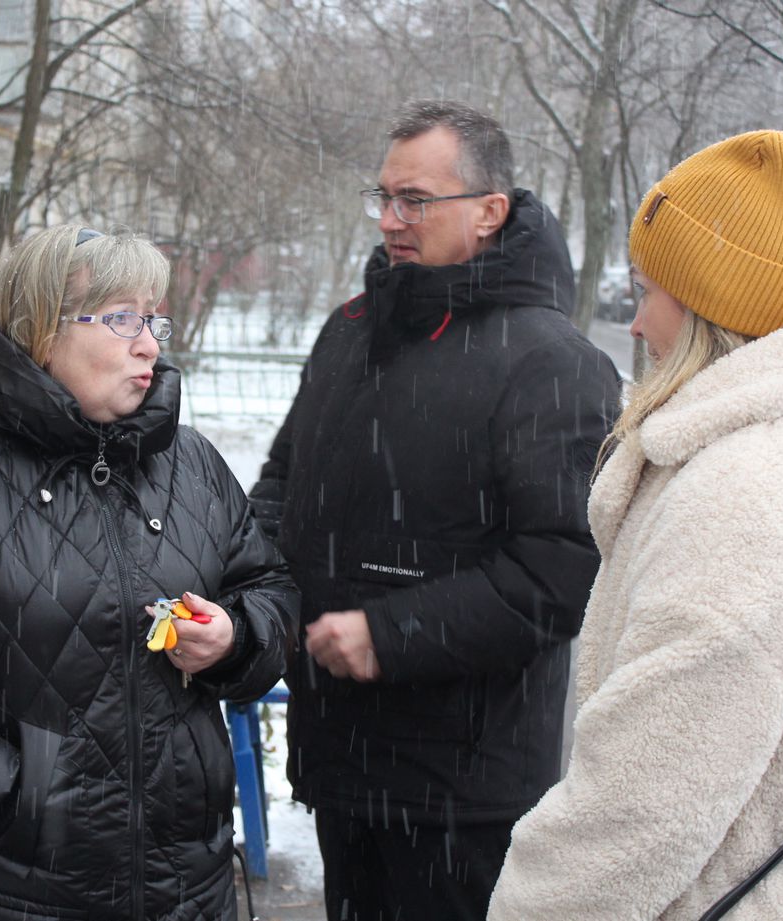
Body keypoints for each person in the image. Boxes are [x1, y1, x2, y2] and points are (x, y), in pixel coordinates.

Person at [488, 129, 783, 920]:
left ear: (709, 306)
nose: (635, 322)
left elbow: (637, 811)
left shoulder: (749, 499)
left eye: (649, 291)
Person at [0, 225, 298, 921]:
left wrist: (237, 636)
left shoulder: (192, 468)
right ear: (41, 331)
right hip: (4, 890)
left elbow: (269, 589)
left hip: (185, 889)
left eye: (154, 317)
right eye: (123, 317)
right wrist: (11, 791)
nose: (150, 343)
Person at [248, 100, 620, 921]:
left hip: (465, 792)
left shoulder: (554, 362)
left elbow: (561, 573)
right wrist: (246, 592)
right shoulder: (349, 333)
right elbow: (281, 485)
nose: (389, 221)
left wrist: (390, 633)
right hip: (342, 763)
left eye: (414, 200)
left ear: (489, 212)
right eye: (382, 197)